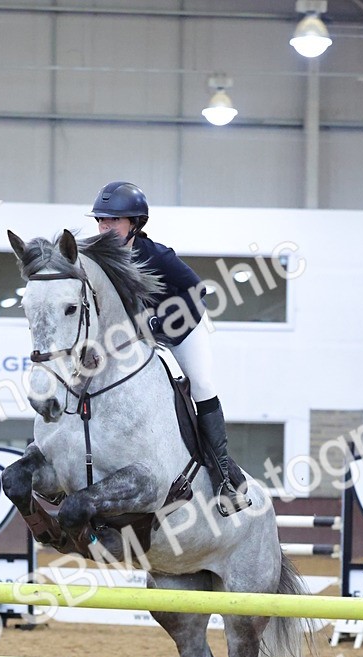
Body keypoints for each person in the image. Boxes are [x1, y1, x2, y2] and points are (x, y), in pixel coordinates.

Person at [87, 180, 250, 514]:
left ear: (135, 224)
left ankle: (223, 478)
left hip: (182, 329)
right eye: (101, 220)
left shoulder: (156, 255)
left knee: (201, 384)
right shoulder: (97, 256)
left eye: (113, 221)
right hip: (133, 337)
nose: (104, 226)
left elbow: (196, 289)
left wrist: (160, 324)